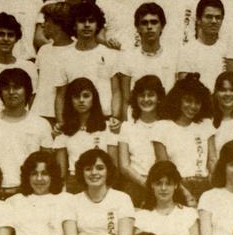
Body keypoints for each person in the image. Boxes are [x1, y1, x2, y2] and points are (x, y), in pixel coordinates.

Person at [0, 68, 53, 196]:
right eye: (6, 88)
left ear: (27, 90)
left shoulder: (41, 124)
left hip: (30, 194)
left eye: (17, 87)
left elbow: (48, 166)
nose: (11, 92)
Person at [54, 3, 122, 132]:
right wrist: (61, 122)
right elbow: (60, 95)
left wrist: (115, 117)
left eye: (91, 21)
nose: (86, 25)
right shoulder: (63, 57)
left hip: (105, 121)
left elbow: (116, 91)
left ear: (98, 25)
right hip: (74, 123)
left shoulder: (110, 54)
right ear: (74, 25)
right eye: (81, 21)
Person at [152, 75, 214, 205]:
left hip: (205, 185)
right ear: (178, 100)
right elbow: (165, 168)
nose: (193, 106)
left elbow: (212, 161)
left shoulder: (206, 124)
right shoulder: (161, 127)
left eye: (197, 102)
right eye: (188, 100)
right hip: (176, 187)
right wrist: (184, 193)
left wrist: (213, 190)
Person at [54, 78, 118, 193]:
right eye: (76, 97)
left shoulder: (108, 127)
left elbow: (113, 166)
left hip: (102, 182)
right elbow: (61, 173)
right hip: (74, 183)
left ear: (94, 98)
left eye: (86, 96)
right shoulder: (63, 131)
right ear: (70, 100)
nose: (81, 100)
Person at [119, 2, 180, 116]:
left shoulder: (174, 56)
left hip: (167, 118)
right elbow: (126, 100)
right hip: (137, 119)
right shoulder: (127, 57)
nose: (149, 27)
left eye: (154, 22)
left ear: (162, 26)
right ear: (137, 28)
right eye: (144, 23)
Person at [118, 75, 166, 207]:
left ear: (159, 98)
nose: (145, 99)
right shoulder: (127, 127)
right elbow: (124, 166)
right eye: (141, 95)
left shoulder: (167, 125)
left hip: (162, 184)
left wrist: (156, 184)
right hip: (134, 184)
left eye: (150, 95)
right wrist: (145, 183)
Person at [0, 13, 38, 106]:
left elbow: (32, 104)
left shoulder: (28, 67)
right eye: (1, 34)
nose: (5, 39)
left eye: (10, 35)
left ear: (16, 39)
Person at [33, 1, 75, 124]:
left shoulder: (77, 49)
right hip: (39, 114)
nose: (43, 25)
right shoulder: (44, 50)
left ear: (59, 24)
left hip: (64, 116)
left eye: (46, 20)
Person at [176, 0, 229, 91]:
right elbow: (184, 89)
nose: (214, 21)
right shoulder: (187, 51)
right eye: (209, 17)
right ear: (198, 20)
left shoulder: (227, 49)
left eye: (218, 17)